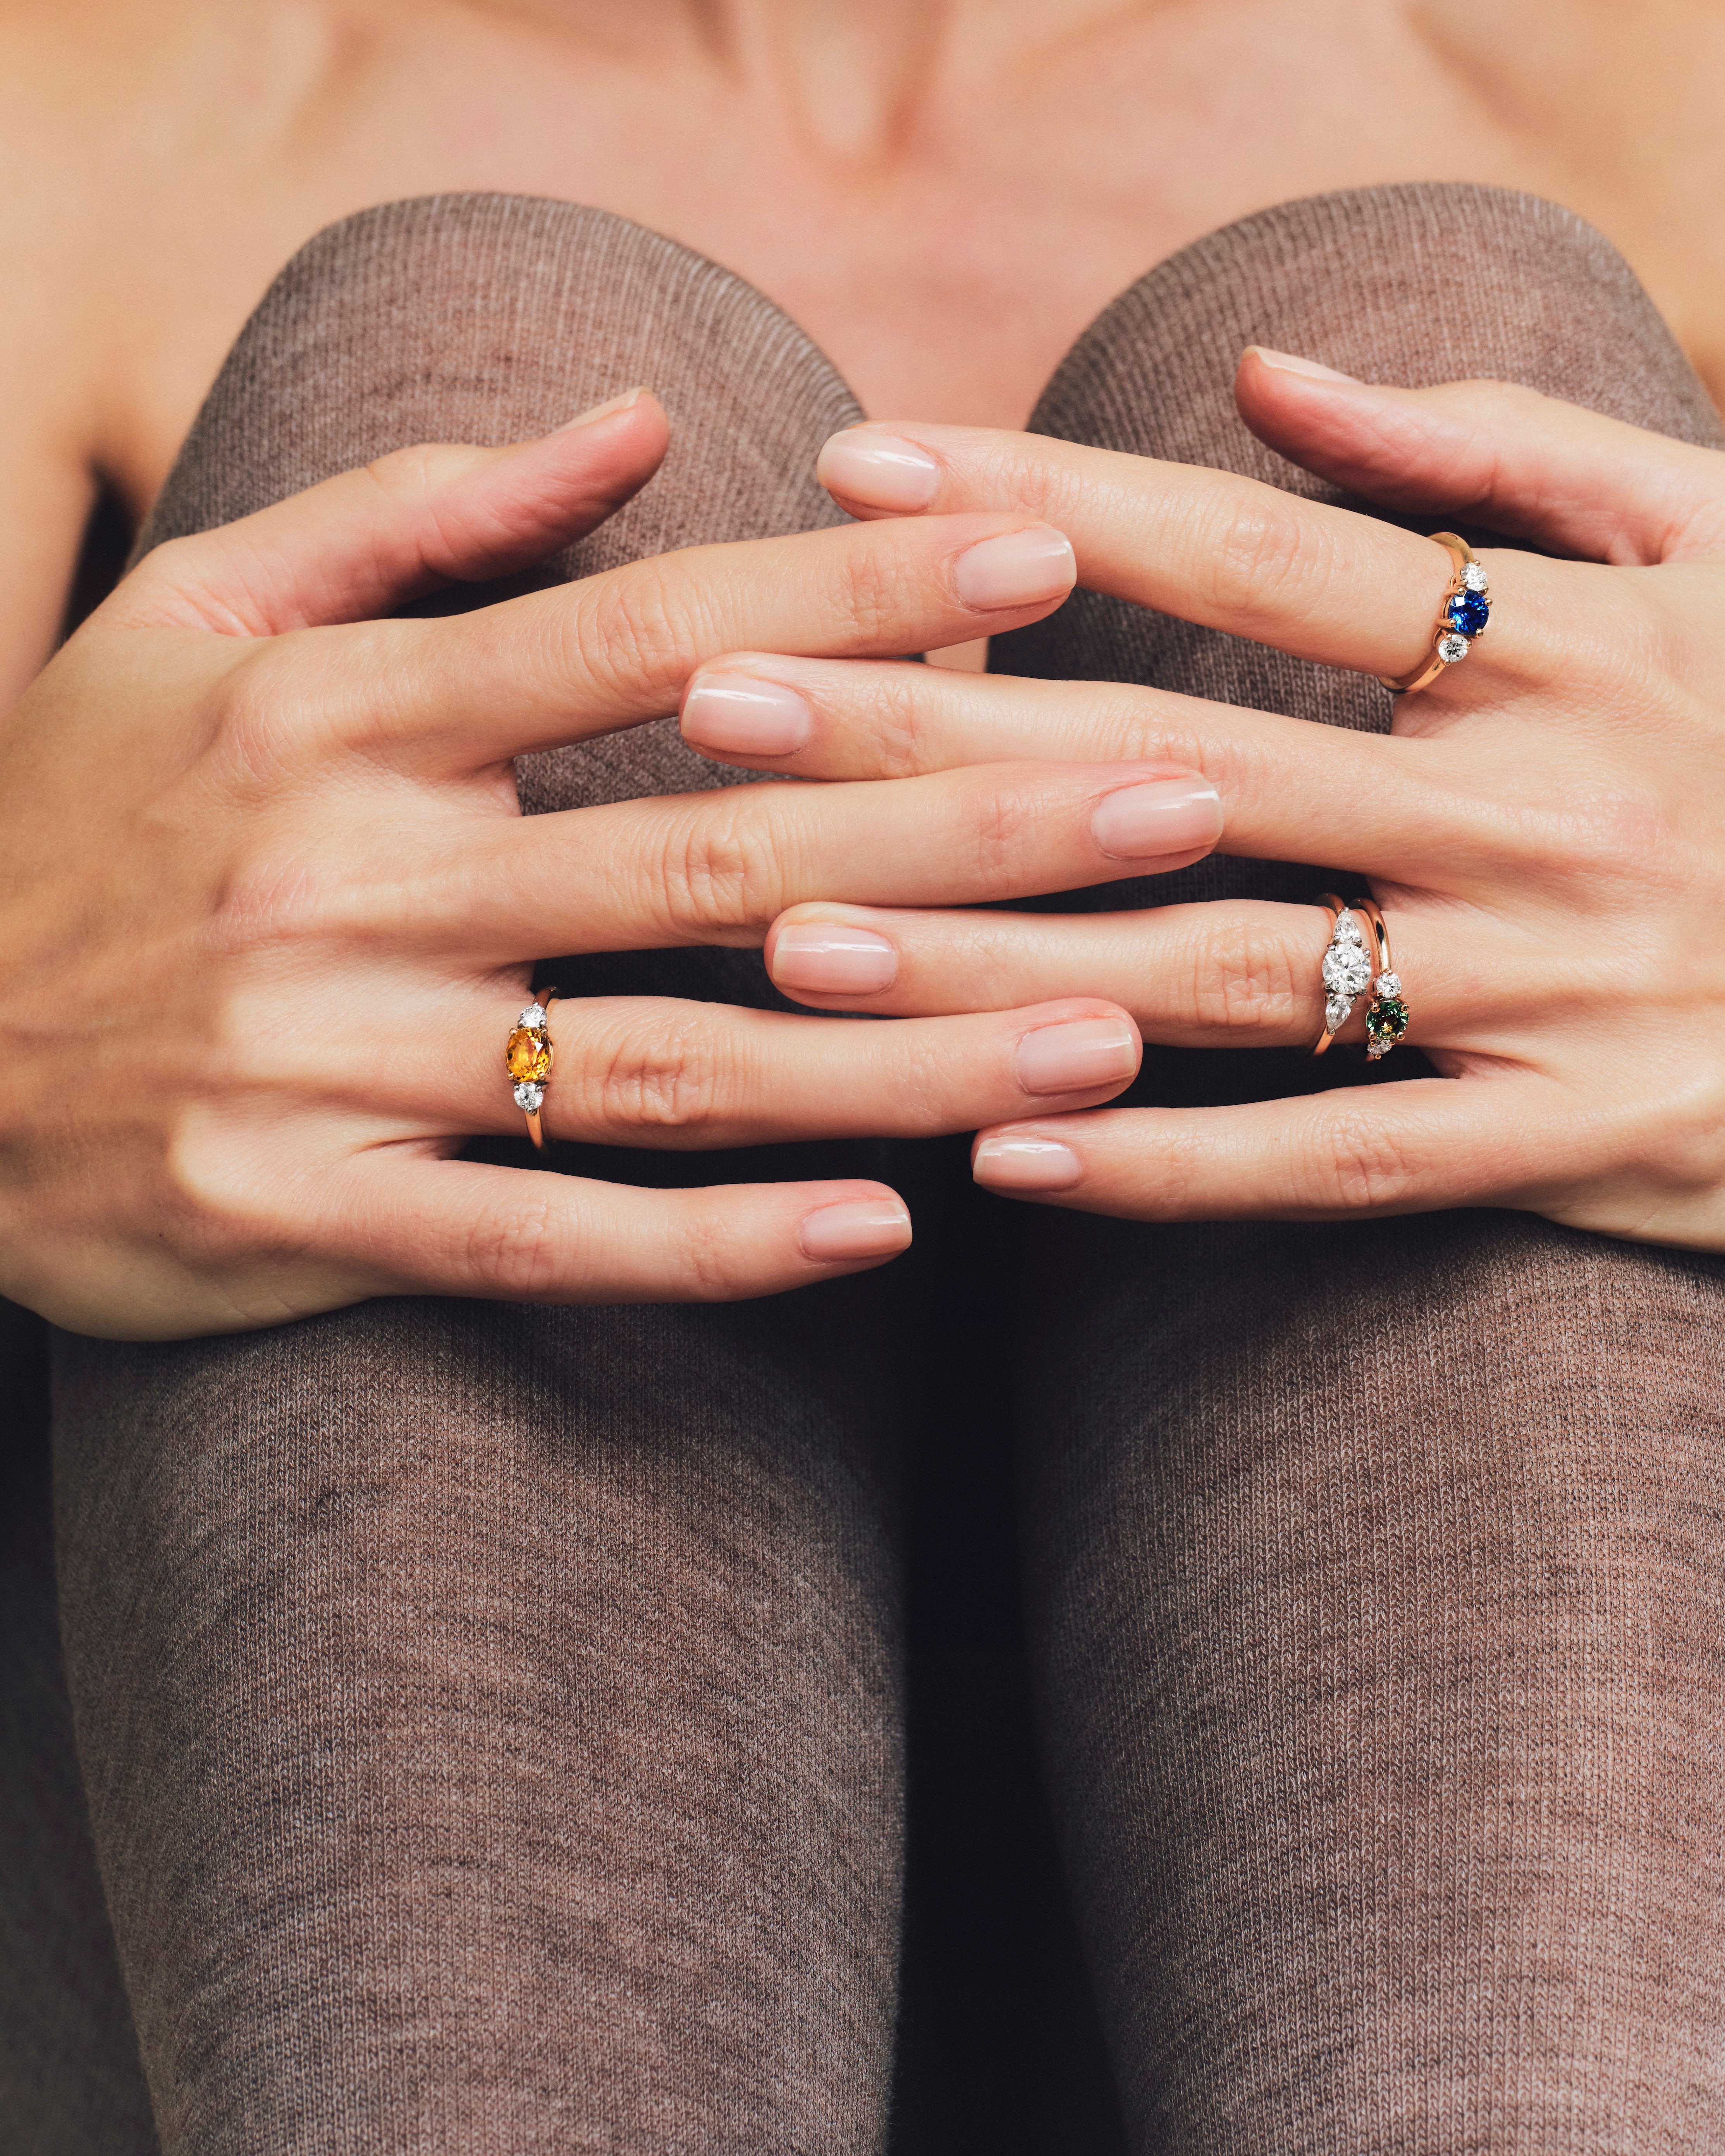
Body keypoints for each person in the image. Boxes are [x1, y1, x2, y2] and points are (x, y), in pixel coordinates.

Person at [3, 2, 1724, 2149]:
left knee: (1442, 334)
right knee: (462, 365)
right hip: (267, 1928)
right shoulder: (73, 126)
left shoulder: (1672, 98)